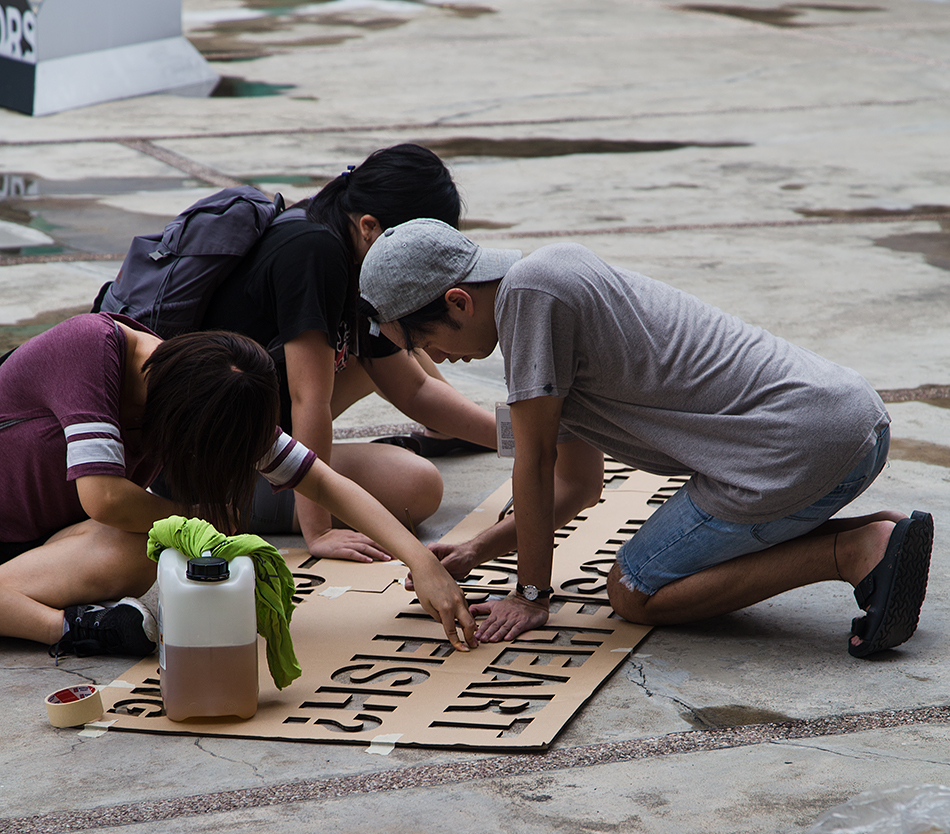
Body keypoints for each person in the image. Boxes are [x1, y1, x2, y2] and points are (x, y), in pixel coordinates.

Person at [358, 219, 933, 658]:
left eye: (422, 340)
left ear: (458, 300)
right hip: (848, 428)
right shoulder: (545, 289)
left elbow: (531, 462)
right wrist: (477, 549)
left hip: (792, 451)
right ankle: (883, 534)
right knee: (643, 574)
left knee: (633, 592)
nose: (433, 358)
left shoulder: (532, 300)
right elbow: (578, 485)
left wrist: (530, 595)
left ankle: (852, 551)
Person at [0, 312, 476, 659]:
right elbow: (102, 498)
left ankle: (31, 595)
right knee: (164, 531)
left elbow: (326, 484)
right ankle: (71, 627)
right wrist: (201, 519)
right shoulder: (88, 351)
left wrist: (420, 561)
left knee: (148, 550)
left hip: (49, 529)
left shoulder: (212, 390)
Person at [197, 143, 499, 561]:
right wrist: (317, 530)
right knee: (418, 487)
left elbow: (412, 390)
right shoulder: (313, 251)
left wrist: (525, 440)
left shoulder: (347, 239)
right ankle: (218, 506)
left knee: (402, 333)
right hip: (218, 459)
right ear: (371, 227)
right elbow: (309, 399)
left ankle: (448, 431)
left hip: (263, 414)